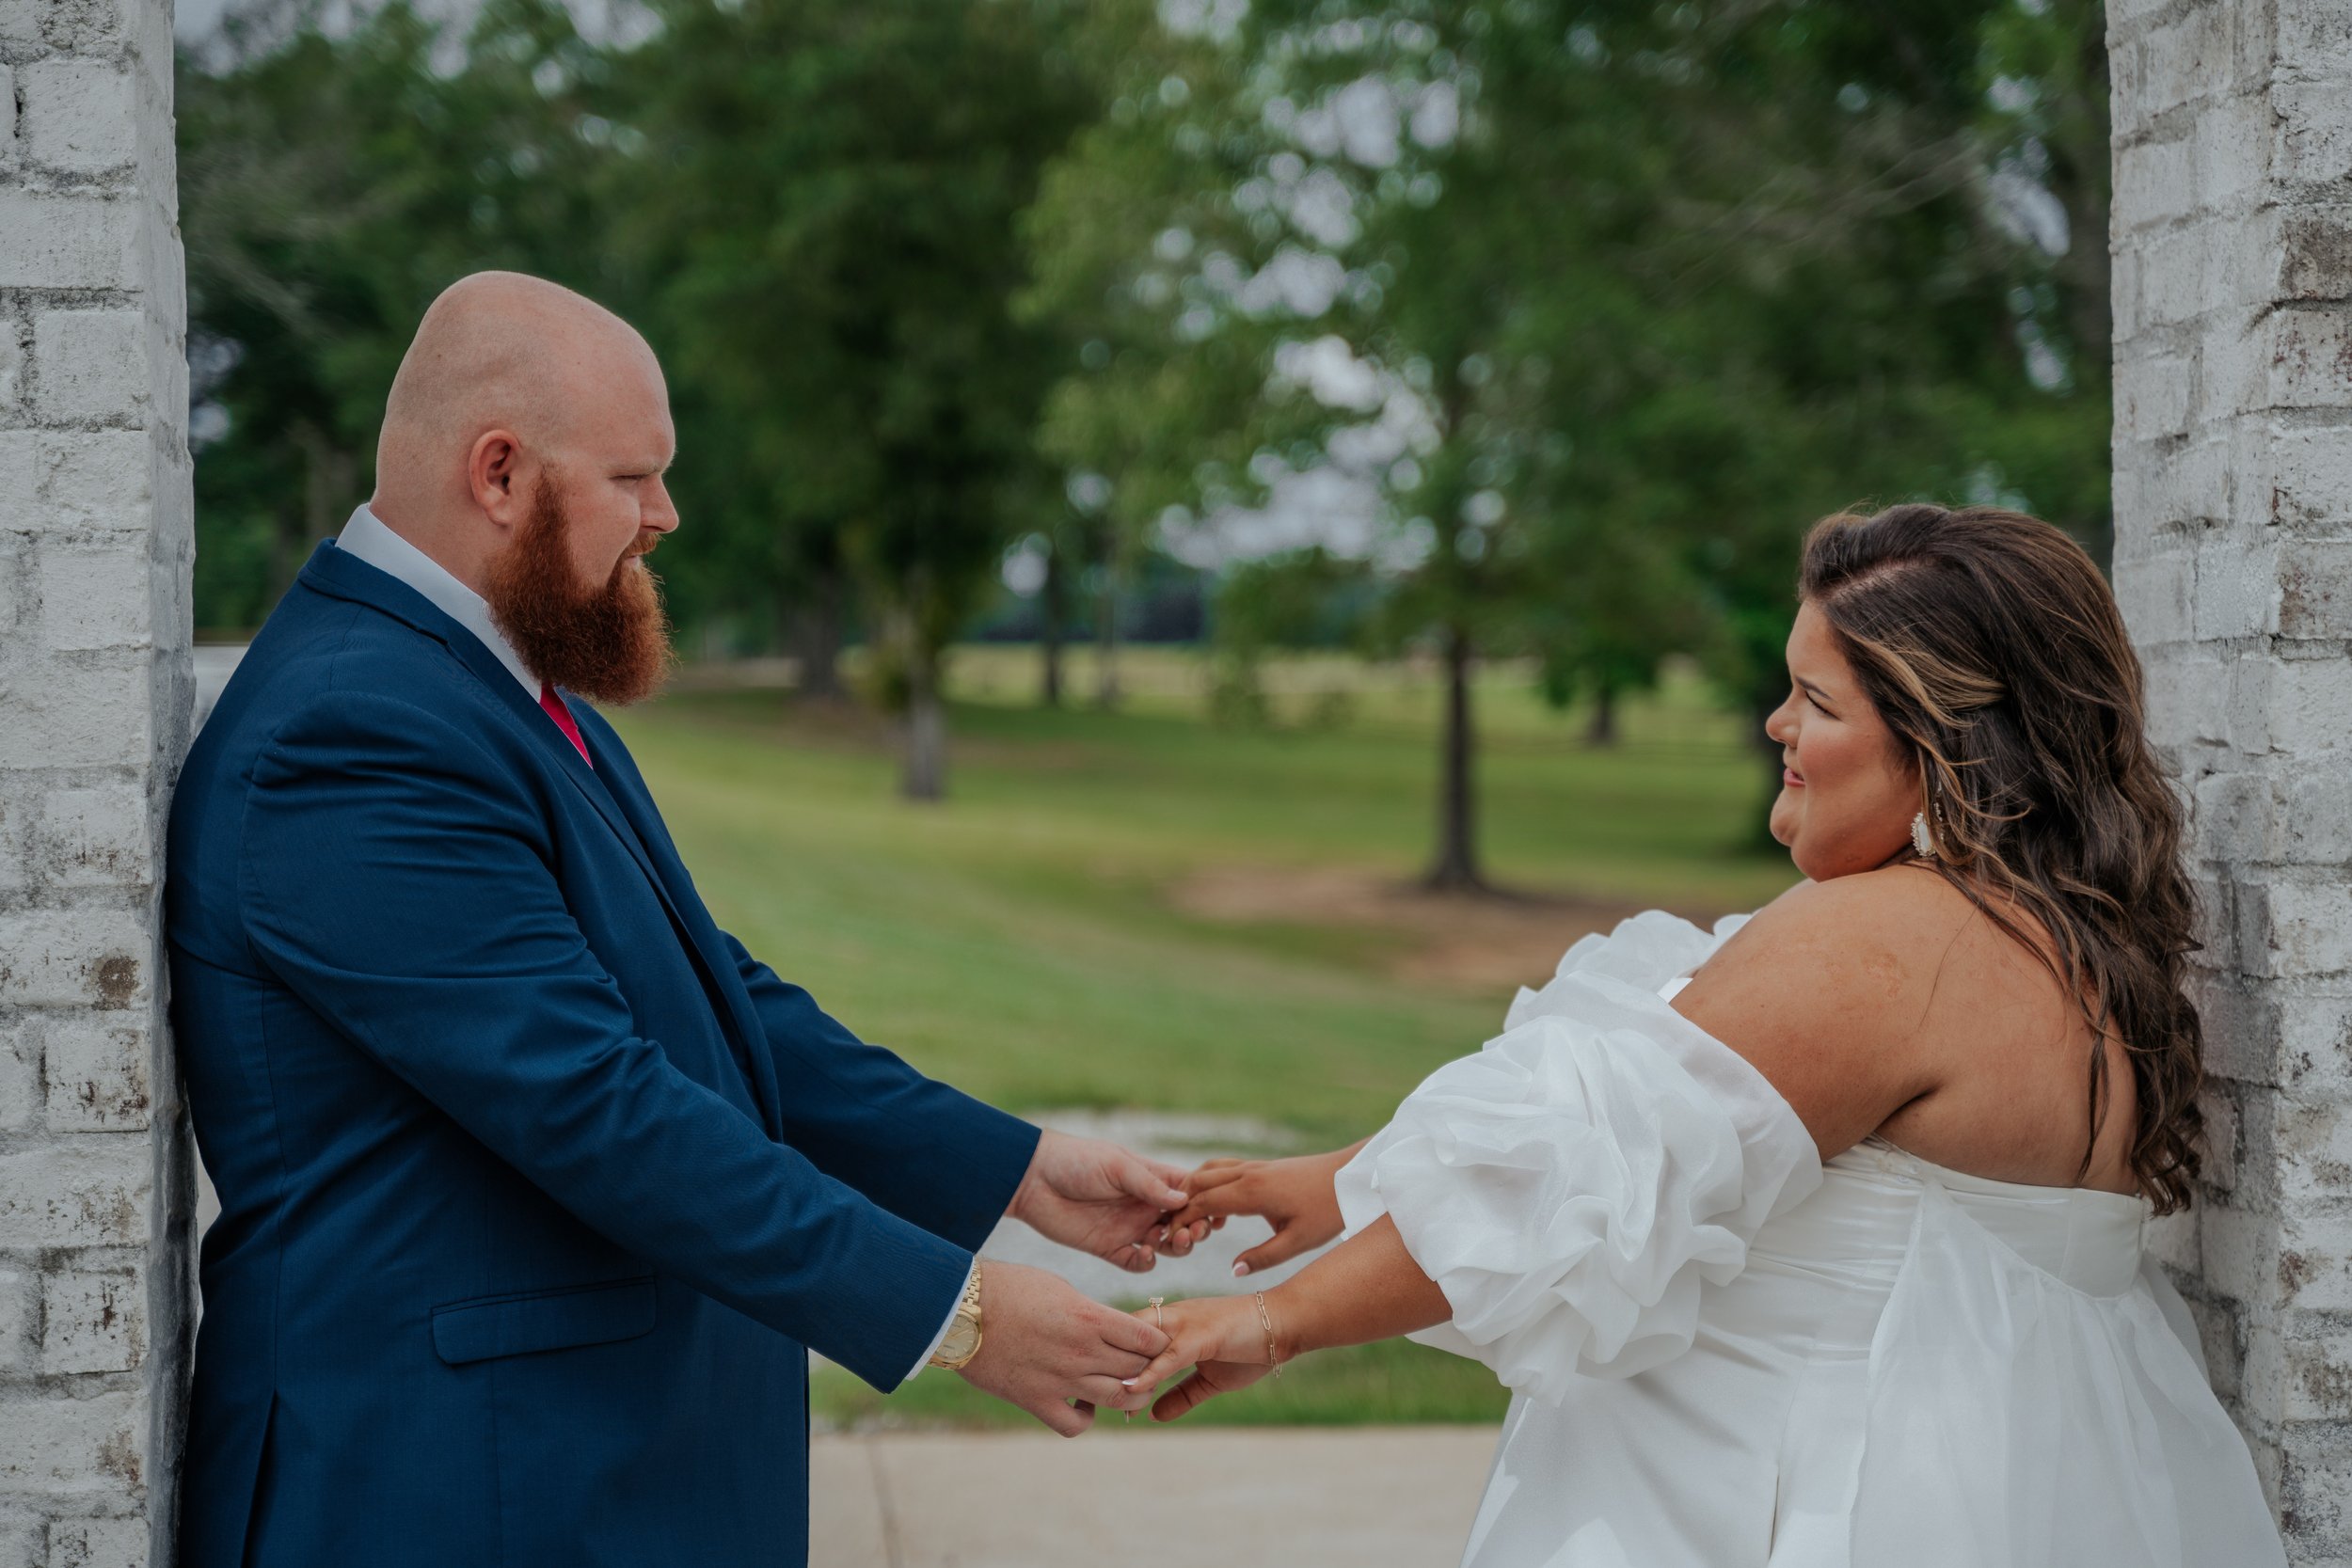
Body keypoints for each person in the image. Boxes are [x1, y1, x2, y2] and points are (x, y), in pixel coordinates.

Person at [167, 272, 1203, 1568]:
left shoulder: (480, 684)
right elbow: (599, 1107)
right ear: (500, 473)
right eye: (633, 477)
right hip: (451, 1489)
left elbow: (707, 990)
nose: (666, 515)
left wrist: (1014, 1169)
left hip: (562, 1474)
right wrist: (964, 1313)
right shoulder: (349, 733)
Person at [1131, 505, 2288, 1567]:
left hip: (1806, 1499)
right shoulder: (2076, 950)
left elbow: (1571, 1181)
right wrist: (1342, 1184)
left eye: (1818, 702)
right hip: (2037, 1487)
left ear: (1949, 742)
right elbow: (1665, 1125)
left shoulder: (1883, 945)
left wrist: (1273, 1321)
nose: (1776, 722)